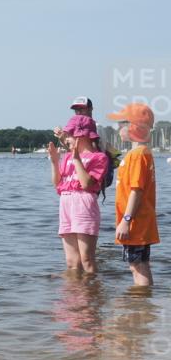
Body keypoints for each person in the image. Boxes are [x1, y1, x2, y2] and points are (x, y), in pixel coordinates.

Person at [46, 115, 108, 275]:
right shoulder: (67, 157)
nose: (66, 139)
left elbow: (87, 184)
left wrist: (77, 159)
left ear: (83, 135)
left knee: (87, 259)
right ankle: (74, 290)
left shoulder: (99, 157)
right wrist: (54, 162)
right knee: (72, 261)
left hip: (84, 205)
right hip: (66, 204)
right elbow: (57, 184)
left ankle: (92, 288)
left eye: (70, 135)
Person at [106, 103, 159, 286]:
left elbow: (137, 190)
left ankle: (141, 301)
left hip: (135, 221)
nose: (118, 128)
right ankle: (143, 301)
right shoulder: (141, 153)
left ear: (134, 127)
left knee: (137, 266)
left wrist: (126, 220)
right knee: (140, 263)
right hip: (140, 219)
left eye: (121, 123)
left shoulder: (137, 155)